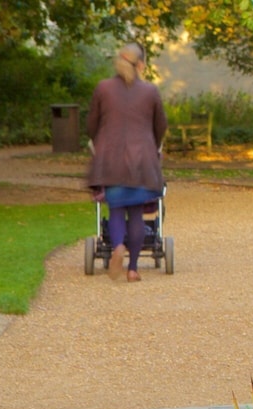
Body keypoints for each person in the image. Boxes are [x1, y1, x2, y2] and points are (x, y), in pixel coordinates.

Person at [85, 43, 167, 283]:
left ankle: (118, 245)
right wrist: (154, 144)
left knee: (117, 210)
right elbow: (160, 125)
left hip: (111, 161)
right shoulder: (150, 91)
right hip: (141, 162)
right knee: (137, 214)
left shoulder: (103, 88)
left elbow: (92, 124)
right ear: (140, 65)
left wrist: (98, 140)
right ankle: (132, 269)